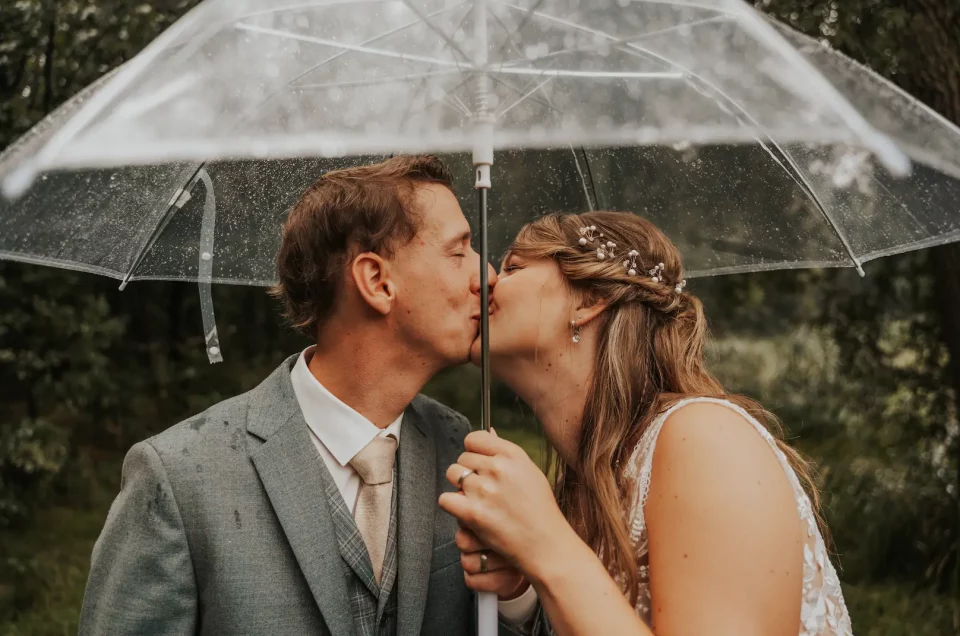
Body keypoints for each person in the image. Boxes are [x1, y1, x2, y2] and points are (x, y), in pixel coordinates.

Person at [79, 155, 536, 636]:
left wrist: (512, 596)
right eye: (458, 250)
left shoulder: (464, 447)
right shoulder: (177, 480)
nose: (486, 275)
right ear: (378, 281)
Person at [439, 211, 853, 635]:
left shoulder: (705, 440)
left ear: (588, 300)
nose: (488, 279)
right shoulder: (583, 486)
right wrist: (521, 591)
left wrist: (545, 544)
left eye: (513, 267)